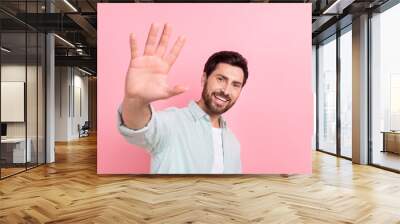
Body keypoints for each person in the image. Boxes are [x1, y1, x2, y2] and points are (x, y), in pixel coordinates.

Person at [117, 23, 249, 174]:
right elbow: (139, 127)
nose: (226, 90)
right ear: (204, 79)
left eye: (235, 85)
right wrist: (136, 100)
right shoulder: (171, 123)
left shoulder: (233, 143)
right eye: (221, 79)